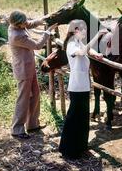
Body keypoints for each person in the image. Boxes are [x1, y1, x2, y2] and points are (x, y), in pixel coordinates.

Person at [59, 19, 108, 159]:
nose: (85, 32)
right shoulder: (71, 44)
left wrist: (95, 54)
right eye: (84, 29)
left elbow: (86, 49)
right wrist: (97, 36)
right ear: (76, 30)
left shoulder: (78, 42)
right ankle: (68, 149)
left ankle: (81, 146)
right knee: (73, 118)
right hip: (76, 87)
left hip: (84, 86)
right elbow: (81, 52)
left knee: (82, 118)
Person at [8, 10, 58, 139]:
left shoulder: (16, 25)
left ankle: (32, 124)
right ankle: (17, 129)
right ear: (18, 24)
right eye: (23, 23)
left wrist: (42, 20)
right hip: (23, 70)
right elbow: (37, 45)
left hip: (28, 67)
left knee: (35, 94)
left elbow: (29, 24)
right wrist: (47, 32)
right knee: (23, 99)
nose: (26, 23)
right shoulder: (16, 36)